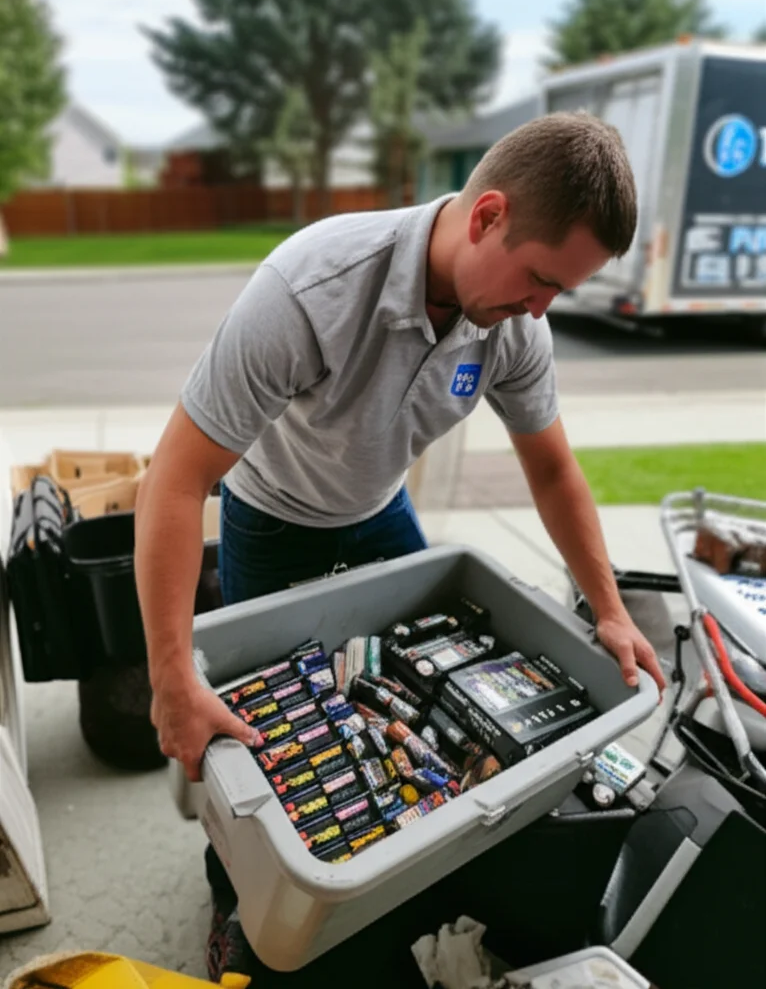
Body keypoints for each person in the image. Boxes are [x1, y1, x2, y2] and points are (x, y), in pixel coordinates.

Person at [134, 109, 666, 976]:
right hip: (272, 518)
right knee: (257, 749)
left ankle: (387, 882)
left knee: (396, 714)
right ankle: (236, 902)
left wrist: (608, 611)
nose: (540, 310)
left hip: (381, 516)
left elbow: (556, 472)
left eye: (559, 293)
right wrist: (171, 677)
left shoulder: (512, 327)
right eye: (538, 278)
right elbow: (174, 479)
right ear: (486, 214)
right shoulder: (312, 288)